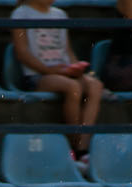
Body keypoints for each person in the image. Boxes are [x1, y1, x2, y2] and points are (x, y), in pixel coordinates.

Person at [10, 0, 105, 163]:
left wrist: (76, 69)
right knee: (73, 87)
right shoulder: (20, 13)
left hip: (63, 73)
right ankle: (74, 149)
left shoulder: (60, 14)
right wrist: (51, 71)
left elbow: (67, 51)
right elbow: (22, 53)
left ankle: (83, 147)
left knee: (95, 85)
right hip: (37, 76)